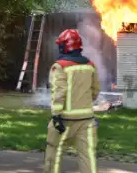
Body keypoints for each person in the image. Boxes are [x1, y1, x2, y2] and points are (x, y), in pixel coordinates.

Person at [44, 29, 101, 173]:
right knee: (88, 157)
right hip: (87, 120)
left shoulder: (60, 66)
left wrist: (56, 116)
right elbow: (95, 90)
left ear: (65, 46)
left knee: (54, 154)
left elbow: (58, 93)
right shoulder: (90, 65)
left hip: (65, 120)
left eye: (61, 44)